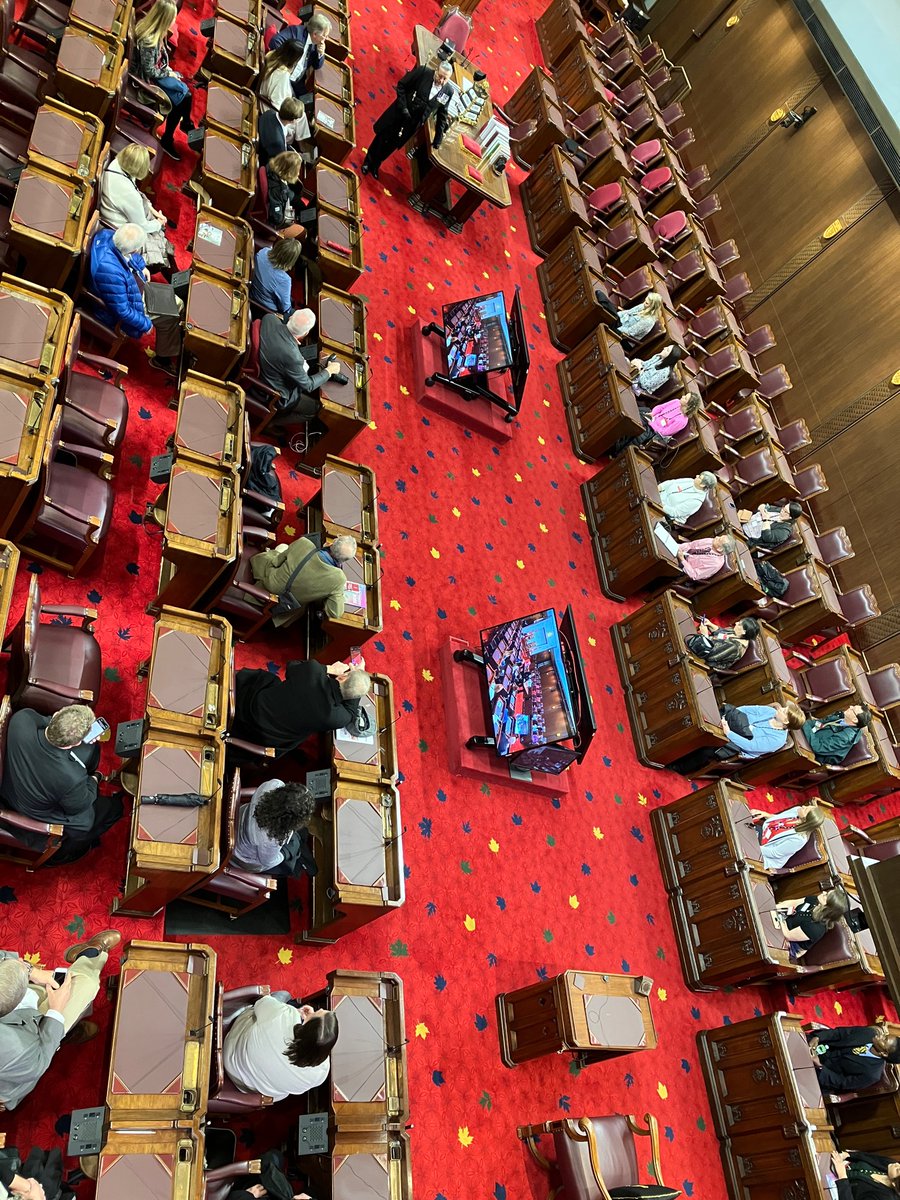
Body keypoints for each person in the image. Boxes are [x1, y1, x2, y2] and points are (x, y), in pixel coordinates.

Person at [0, 931, 121, 1110]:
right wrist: (55, 1012)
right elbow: (40, 1057)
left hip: (21, 1018)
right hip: (29, 1048)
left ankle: (87, 954)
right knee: (86, 985)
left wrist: (31, 971)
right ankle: (65, 1034)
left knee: (71, 985)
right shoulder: (15, 1050)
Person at [0, 705, 123, 863]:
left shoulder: (22, 719)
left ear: (57, 713)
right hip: (32, 811)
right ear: (76, 744)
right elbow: (78, 807)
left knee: (90, 754)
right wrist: (94, 779)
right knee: (91, 820)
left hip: (9, 786)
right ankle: (64, 853)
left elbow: (45, 722)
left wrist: (65, 727)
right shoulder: (71, 777)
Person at [89, 223, 183, 377]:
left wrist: (142, 266)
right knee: (170, 317)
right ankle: (162, 360)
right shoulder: (110, 272)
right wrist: (145, 324)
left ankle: (173, 343)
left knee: (178, 303)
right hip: (131, 304)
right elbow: (122, 310)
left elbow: (132, 258)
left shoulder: (110, 236)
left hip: (134, 288)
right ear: (133, 249)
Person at [230, 659, 371, 757]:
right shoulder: (337, 718)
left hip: (250, 707)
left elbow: (292, 666)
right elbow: (352, 713)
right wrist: (356, 687)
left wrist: (329, 668)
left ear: (341, 677)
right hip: (265, 738)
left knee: (268, 679)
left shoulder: (312, 671)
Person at [223, 993, 338, 1102]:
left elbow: (260, 1002)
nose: (316, 1011)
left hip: (230, 1054)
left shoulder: (286, 1014)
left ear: (307, 1028)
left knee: (283, 995)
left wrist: (293, 1011)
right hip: (249, 1090)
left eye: (315, 1013)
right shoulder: (321, 1074)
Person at [362, 60, 455, 181]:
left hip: (412, 124)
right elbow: (401, 86)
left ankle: (376, 165)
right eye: (440, 76)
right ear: (436, 70)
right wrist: (403, 108)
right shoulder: (423, 72)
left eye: (445, 79)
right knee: (382, 137)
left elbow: (442, 113)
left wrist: (438, 138)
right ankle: (368, 162)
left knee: (393, 144)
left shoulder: (448, 91)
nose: (441, 81)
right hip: (400, 113)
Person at [669, 700, 806, 775]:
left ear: (786, 722)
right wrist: (730, 720)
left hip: (740, 746)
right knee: (705, 722)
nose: (781, 708)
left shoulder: (778, 740)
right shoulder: (771, 711)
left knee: (708, 748)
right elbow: (744, 709)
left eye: (784, 711)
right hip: (731, 725)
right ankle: (673, 746)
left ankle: (678, 767)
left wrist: (729, 733)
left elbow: (750, 745)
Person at [251, 534, 358, 628]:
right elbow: (335, 613)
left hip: (271, 583)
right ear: (344, 561)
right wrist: (337, 592)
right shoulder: (339, 579)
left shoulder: (304, 543)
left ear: (332, 543)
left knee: (283, 547)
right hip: (285, 605)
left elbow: (276, 561)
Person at [133, 0, 194, 160]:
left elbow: (159, 63)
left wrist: (168, 71)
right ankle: (170, 137)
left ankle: (183, 126)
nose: (175, 21)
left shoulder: (157, 33)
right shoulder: (149, 41)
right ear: (164, 19)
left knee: (185, 97)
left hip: (156, 75)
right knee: (183, 99)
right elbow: (150, 71)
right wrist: (168, 74)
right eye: (173, 18)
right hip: (146, 82)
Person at [98, 145, 172, 275]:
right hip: (120, 230)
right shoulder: (128, 194)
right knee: (156, 240)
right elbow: (143, 226)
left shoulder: (118, 163)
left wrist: (153, 210)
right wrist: (158, 224)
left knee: (158, 233)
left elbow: (136, 192)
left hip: (118, 212)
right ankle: (163, 272)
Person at [258, 309, 341, 421]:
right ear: (305, 334)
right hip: (274, 393)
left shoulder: (269, 319)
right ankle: (271, 423)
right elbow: (308, 386)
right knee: (315, 408)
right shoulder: (293, 358)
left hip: (267, 367)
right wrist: (329, 371)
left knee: (311, 355)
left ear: (291, 317)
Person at [231, 778, 318, 877]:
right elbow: (268, 862)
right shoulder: (270, 840)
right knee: (292, 849)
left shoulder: (273, 785)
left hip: (236, 818)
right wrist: (284, 854)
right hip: (239, 856)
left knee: (295, 842)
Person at [808, 1024, 900, 1094]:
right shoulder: (869, 1033)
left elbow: (841, 1082)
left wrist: (819, 1066)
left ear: (884, 1053)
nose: (881, 1035)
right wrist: (818, 1038)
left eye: (884, 1039)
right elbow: (839, 1033)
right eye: (885, 1035)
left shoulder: (872, 1074)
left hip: (820, 1074)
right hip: (816, 1046)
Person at [610, 389, 702, 456]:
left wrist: (652, 423)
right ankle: (613, 441)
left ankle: (618, 453)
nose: (682, 396)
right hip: (652, 416)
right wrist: (652, 414)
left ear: (689, 406)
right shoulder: (676, 401)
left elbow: (664, 432)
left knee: (638, 432)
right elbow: (660, 407)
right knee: (634, 417)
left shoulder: (682, 421)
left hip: (654, 431)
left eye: (685, 398)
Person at [771, 886, 850, 959]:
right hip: (782, 922)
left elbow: (787, 935)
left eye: (826, 896)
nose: (823, 893)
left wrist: (776, 916)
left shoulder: (816, 928)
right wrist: (774, 908)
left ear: (829, 908)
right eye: (827, 892)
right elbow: (793, 903)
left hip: (789, 944)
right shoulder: (814, 900)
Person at [747, 802, 826, 871]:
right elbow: (779, 820)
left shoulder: (799, 839)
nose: (803, 806)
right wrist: (765, 814)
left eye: (806, 809)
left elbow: (774, 853)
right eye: (807, 806)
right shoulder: (797, 810)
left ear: (806, 820)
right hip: (763, 834)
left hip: (765, 853)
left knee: (740, 844)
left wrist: (753, 846)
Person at [268, 12, 331, 94]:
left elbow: (317, 65)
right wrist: (285, 63)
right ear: (315, 34)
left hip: (297, 82)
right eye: (325, 36)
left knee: (307, 102)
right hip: (281, 77)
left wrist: (321, 53)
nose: (325, 39)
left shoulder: (317, 44)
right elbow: (275, 41)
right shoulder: (295, 32)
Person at [257, 42, 313, 134]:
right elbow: (277, 104)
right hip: (269, 110)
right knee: (299, 118)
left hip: (269, 97)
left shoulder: (272, 55)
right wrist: (291, 112)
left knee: (301, 113)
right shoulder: (281, 76)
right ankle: (300, 145)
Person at [249, 239, 304, 317]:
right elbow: (285, 308)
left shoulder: (263, 252)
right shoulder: (284, 280)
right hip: (265, 310)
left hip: (252, 292)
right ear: (292, 260)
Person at [685, 615, 760, 670]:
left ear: (744, 631)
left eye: (740, 624)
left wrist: (705, 635)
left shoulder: (735, 647)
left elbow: (711, 654)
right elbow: (721, 632)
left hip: (704, 659)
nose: (736, 623)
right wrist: (710, 624)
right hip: (703, 644)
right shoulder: (737, 633)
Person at [803, 705, 871, 765]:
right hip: (810, 737)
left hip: (812, 754)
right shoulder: (841, 717)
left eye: (853, 709)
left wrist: (804, 724)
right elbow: (820, 723)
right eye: (853, 706)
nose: (850, 707)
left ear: (855, 719)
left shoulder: (845, 737)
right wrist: (805, 723)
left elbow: (818, 747)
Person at [264, 150, 307, 240]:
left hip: (285, 199)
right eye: (297, 170)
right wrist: (290, 217)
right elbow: (277, 219)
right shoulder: (277, 190)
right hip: (276, 222)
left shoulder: (272, 167)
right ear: (289, 171)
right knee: (303, 232)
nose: (298, 173)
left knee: (302, 206)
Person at [257, 97, 310, 166]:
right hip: (265, 161)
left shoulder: (269, 113)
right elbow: (277, 164)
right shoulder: (278, 143)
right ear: (293, 120)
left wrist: (293, 152)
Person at [830, 1149, 900, 1199]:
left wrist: (842, 1176)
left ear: (894, 1184)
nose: (896, 1164)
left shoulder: (884, 1197)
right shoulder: (890, 1165)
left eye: (897, 1170)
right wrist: (847, 1155)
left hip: (831, 1189)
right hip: (835, 1166)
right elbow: (865, 1156)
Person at [738, 501, 802, 550]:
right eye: (783, 508)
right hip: (744, 522)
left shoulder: (785, 531)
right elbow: (762, 506)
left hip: (749, 539)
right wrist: (763, 512)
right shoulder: (780, 511)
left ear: (790, 517)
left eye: (785, 511)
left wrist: (766, 520)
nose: (782, 511)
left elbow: (767, 537)